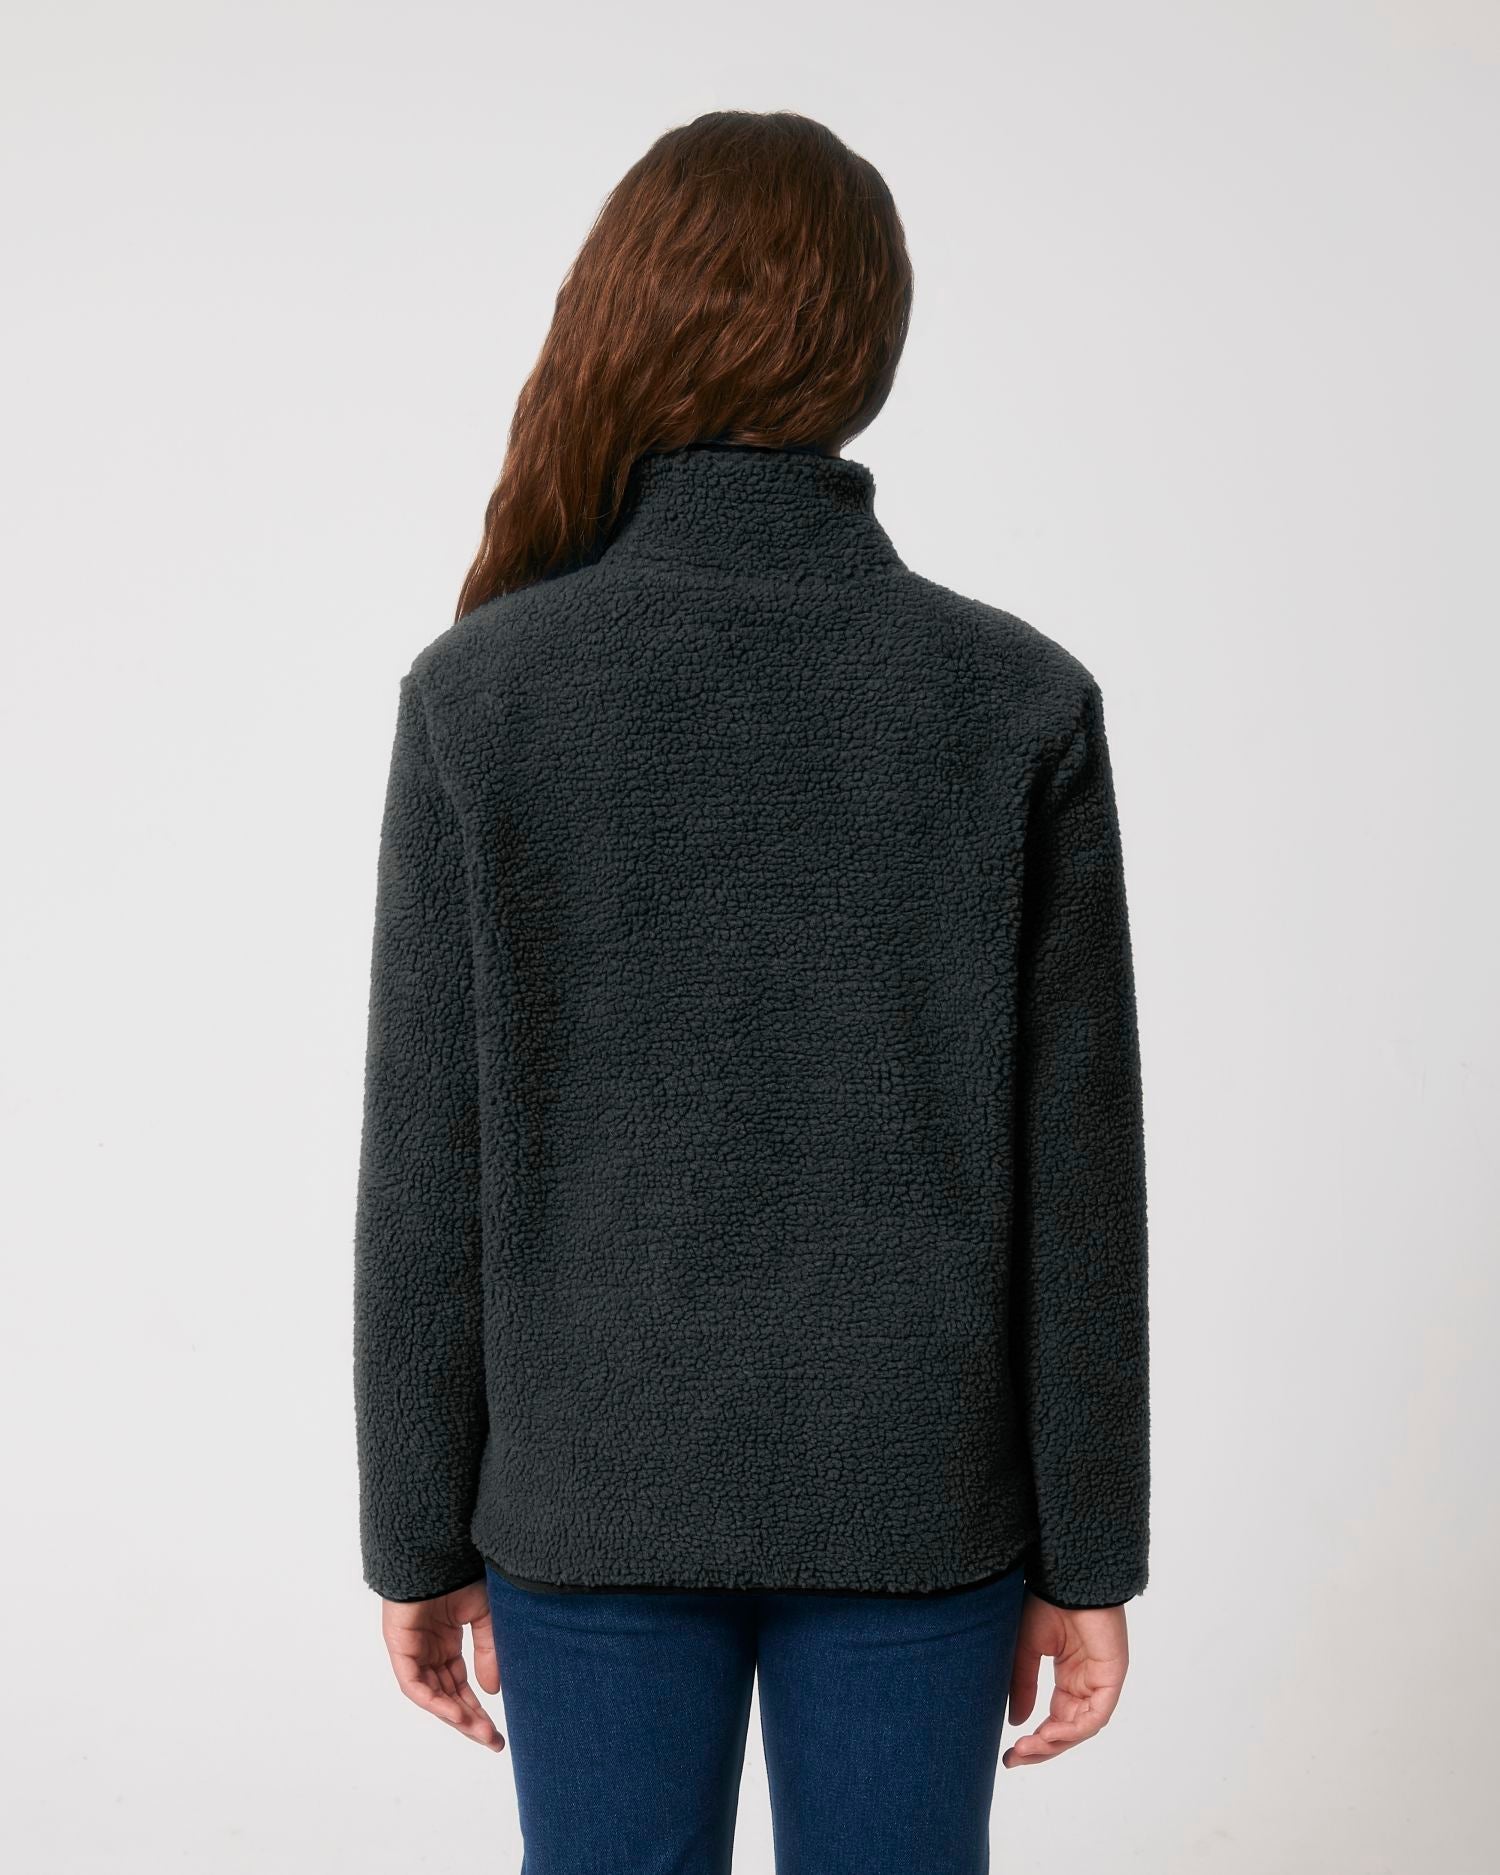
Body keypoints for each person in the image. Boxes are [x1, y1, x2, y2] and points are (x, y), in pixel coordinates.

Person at [353, 108, 1150, 1872]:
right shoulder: (1015, 699)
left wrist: (414, 1529)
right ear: (871, 347)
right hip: (916, 1491)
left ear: (626, 314)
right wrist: (1090, 1549)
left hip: (591, 1490)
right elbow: (1078, 1186)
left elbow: (427, 1164)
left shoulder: (482, 696)